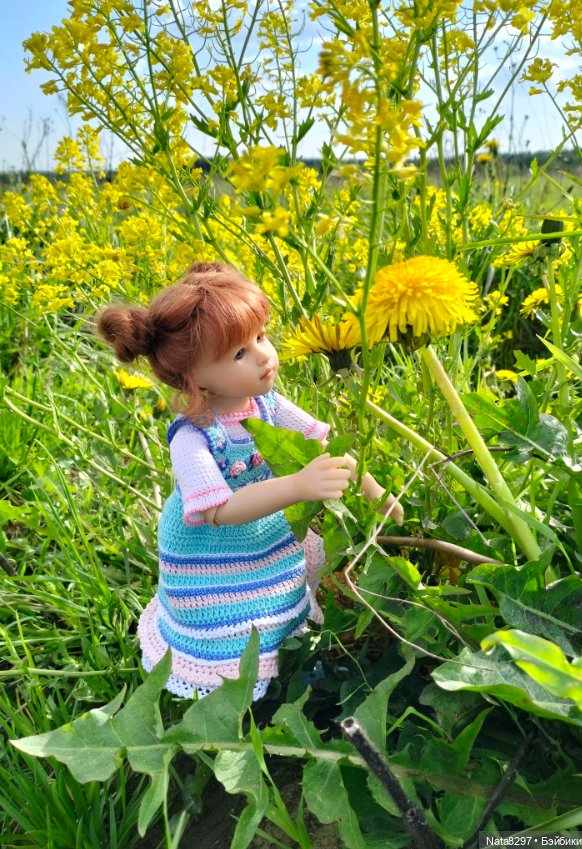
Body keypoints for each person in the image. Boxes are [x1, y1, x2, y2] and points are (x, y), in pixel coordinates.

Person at [97, 261, 403, 700]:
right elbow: (219, 511)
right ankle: (234, 680)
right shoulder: (192, 436)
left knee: (279, 596)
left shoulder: (267, 406)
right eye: (240, 353)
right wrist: (297, 487)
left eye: (261, 337)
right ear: (193, 376)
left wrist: (373, 489)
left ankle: (289, 655)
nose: (264, 356)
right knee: (236, 622)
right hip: (213, 556)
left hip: (268, 536)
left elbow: (323, 442)